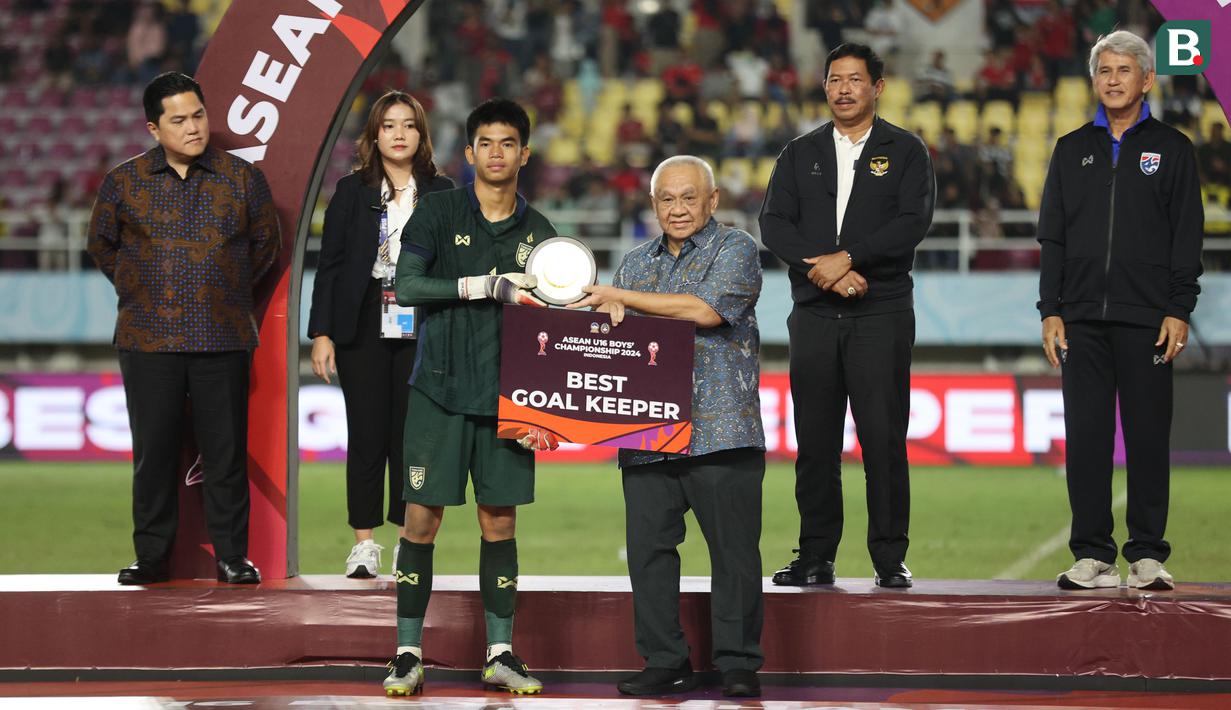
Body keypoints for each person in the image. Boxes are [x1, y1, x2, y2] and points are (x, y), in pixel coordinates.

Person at [570, 155, 765, 698]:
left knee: (734, 555)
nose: (677, 209)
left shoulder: (738, 249)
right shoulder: (634, 263)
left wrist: (622, 300)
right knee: (650, 555)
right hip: (648, 434)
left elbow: (704, 312)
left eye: (688, 197)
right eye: (666, 199)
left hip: (721, 429)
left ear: (712, 200)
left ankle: (738, 663)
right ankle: (664, 660)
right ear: (652, 204)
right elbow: (607, 345)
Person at [382, 98, 558, 697]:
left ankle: (501, 653)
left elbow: (556, 332)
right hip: (438, 392)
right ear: (469, 152)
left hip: (510, 403)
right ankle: (407, 653)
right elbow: (406, 285)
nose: (497, 153)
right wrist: (486, 286)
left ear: (524, 153)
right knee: (421, 521)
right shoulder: (437, 211)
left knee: (499, 524)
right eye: (486, 143)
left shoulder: (540, 234)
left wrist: (548, 410)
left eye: (508, 143)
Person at [86, 72, 280, 586]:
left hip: (223, 338)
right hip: (148, 339)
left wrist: (224, 289)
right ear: (154, 127)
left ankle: (233, 557)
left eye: (198, 115)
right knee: (154, 456)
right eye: (179, 119)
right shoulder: (123, 182)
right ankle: (152, 557)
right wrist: (142, 287)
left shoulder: (241, 178)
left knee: (225, 454)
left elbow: (265, 247)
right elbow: (101, 245)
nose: (193, 127)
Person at [758, 43, 935, 589]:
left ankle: (889, 557)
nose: (843, 89)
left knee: (883, 440)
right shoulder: (799, 152)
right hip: (813, 315)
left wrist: (851, 258)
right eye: (835, 79)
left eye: (855, 79)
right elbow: (774, 224)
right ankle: (815, 555)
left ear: (877, 88)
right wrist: (827, 271)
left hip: (880, 313)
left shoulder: (906, 151)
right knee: (814, 444)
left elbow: (913, 222)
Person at [1038, 31, 1203, 591]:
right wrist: (1050, 310)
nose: (1112, 79)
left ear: (1147, 79)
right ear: (1094, 79)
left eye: (1123, 70)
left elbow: (1187, 237)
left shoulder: (1175, 149)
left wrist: (1179, 307)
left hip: (1148, 319)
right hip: (1080, 318)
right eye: (1104, 70)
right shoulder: (1069, 149)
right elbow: (1053, 239)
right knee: (1085, 439)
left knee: (1149, 438)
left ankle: (1148, 555)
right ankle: (1091, 555)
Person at [307, 91, 454, 578]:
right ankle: (363, 544)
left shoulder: (443, 192)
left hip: (424, 322)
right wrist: (322, 332)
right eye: (388, 125)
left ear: (421, 134)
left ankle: (405, 542)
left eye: (408, 125)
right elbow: (328, 266)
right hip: (363, 321)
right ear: (374, 135)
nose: (398, 134)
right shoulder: (351, 191)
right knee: (366, 434)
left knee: (411, 439)